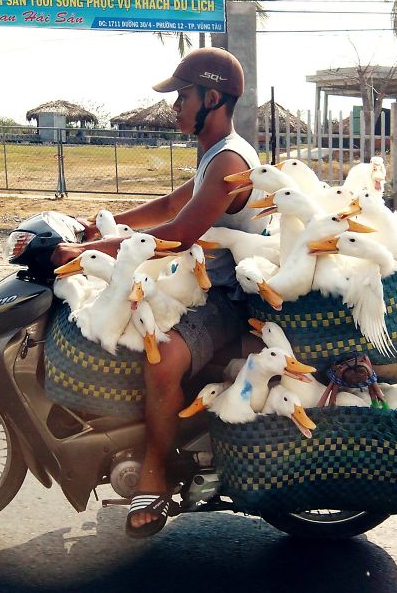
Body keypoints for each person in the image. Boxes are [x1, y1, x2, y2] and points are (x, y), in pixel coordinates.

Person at [50, 47, 269, 538]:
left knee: (161, 356)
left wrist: (84, 251)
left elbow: (180, 232)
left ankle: (156, 469)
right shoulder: (215, 151)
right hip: (196, 283)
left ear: (212, 98)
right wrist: (102, 223)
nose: (175, 106)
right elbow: (175, 203)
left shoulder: (231, 158)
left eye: (182, 96)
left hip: (224, 299)